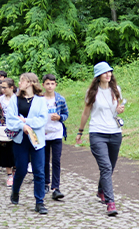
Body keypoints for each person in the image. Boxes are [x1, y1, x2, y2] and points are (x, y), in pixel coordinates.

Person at [75, 61, 125, 217]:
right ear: (98, 76)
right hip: (97, 133)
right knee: (106, 167)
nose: (108, 74)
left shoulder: (116, 90)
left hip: (115, 133)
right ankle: (111, 203)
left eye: (110, 71)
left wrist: (119, 110)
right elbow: (85, 113)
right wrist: (80, 131)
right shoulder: (92, 92)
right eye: (105, 72)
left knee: (110, 167)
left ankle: (101, 190)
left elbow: (116, 111)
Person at [4, 72, 49, 215]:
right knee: (22, 169)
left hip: (37, 140)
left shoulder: (41, 100)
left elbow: (42, 120)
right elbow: (10, 119)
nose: (19, 82)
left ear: (30, 83)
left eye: (22, 80)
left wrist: (26, 121)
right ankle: (15, 192)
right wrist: (22, 126)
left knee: (39, 171)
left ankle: (39, 202)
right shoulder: (14, 100)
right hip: (20, 139)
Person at [42, 73, 69, 201]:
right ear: (43, 85)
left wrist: (59, 117)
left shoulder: (60, 99)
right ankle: (45, 183)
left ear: (55, 85)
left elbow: (65, 114)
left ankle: (55, 187)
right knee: (45, 160)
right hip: (43, 133)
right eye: (47, 83)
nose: (50, 86)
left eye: (52, 84)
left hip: (56, 133)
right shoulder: (39, 99)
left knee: (56, 160)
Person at [0, 78, 17, 187]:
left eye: (5, 87)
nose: (2, 89)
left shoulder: (18, 99)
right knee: (6, 153)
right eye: (1, 87)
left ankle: (15, 171)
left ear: (11, 88)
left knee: (17, 153)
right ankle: (9, 175)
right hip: (4, 130)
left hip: (17, 130)